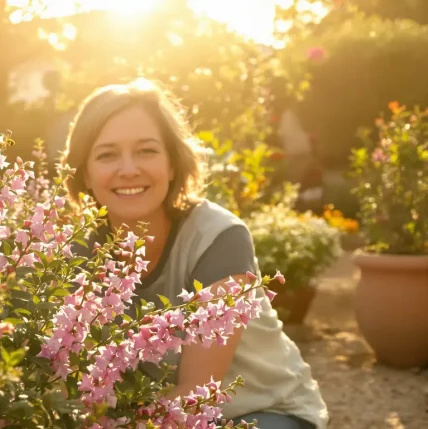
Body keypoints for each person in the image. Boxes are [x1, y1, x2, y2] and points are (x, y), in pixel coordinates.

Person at [62, 78, 328, 429]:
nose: (129, 169)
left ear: (173, 164)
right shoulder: (74, 252)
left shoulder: (218, 238)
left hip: (263, 411)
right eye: (107, 154)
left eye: (147, 150)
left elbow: (197, 393)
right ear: (84, 174)